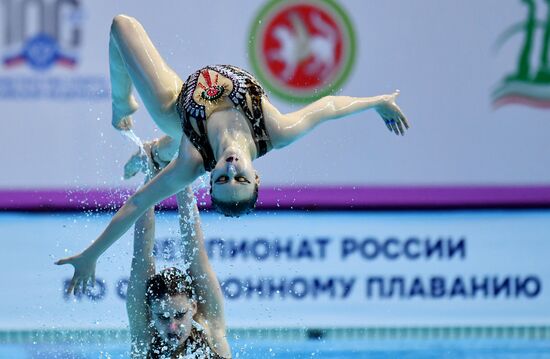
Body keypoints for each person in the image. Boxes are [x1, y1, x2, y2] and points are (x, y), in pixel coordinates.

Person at [55, 14, 409, 294]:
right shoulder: (277, 131)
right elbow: (330, 106)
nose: (231, 169)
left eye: (222, 179)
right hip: (194, 126)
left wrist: (91, 255)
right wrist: (376, 103)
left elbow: (136, 205)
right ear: (256, 177)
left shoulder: (192, 162)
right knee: (169, 140)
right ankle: (152, 148)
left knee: (121, 26)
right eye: (240, 178)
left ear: (210, 178)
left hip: (177, 109)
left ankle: (124, 110)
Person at [126, 149, 231, 358]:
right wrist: (151, 174)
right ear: (150, 313)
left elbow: (195, 247)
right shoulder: (145, 338)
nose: (173, 327)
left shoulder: (210, 331)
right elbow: (142, 255)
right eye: (163, 318)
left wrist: (182, 173)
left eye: (180, 315)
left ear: (193, 307)